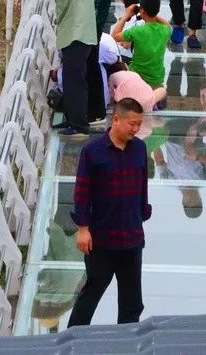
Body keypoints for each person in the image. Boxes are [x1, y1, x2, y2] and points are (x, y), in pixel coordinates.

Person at [68, 98, 151, 326]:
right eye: (131, 124)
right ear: (116, 119)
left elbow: (143, 186)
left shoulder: (140, 148)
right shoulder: (92, 151)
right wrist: (83, 229)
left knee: (132, 301)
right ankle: (71, 340)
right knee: (91, 293)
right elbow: (82, 192)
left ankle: (128, 345)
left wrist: (143, 213)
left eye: (138, 124)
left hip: (132, 237)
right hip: (101, 239)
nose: (135, 129)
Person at [26, 0, 99, 137]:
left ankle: (79, 124)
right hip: (75, 36)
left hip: (78, 36)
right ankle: (72, 118)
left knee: (74, 80)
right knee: (69, 79)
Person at [112, 0, 172, 87]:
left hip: (137, 77)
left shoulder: (137, 31)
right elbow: (168, 25)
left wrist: (126, 16)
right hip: (157, 79)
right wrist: (152, 13)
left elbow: (114, 36)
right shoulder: (166, 30)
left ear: (142, 11)